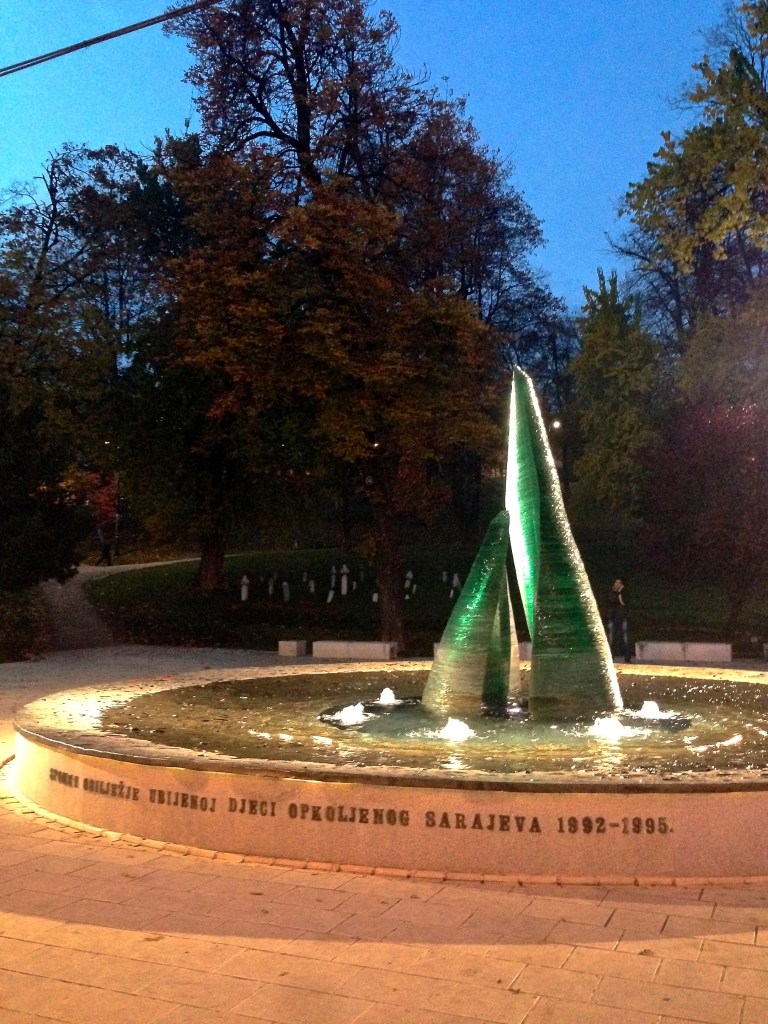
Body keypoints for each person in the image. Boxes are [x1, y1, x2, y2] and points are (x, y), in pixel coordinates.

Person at [606, 578, 630, 662]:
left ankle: (627, 658)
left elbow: (623, 602)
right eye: (616, 582)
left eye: (619, 583)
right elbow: (612, 600)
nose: (617, 584)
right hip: (613, 618)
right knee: (611, 639)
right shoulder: (611, 592)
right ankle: (610, 658)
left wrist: (620, 592)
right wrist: (617, 593)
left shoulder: (623, 593)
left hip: (622, 617)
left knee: (625, 638)